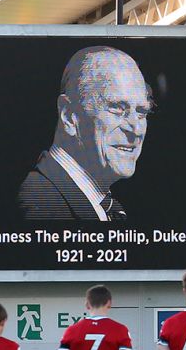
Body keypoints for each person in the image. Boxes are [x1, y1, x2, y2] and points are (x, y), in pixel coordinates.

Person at [18, 46, 152, 221]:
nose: (136, 129)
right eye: (118, 108)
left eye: (142, 111)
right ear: (68, 116)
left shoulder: (102, 204)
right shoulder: (41, 203)